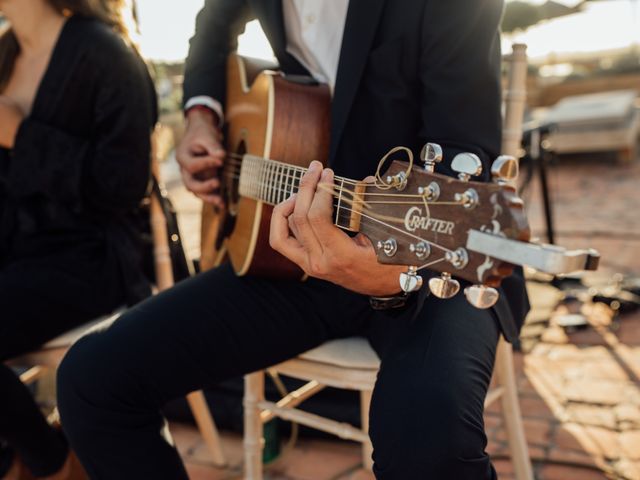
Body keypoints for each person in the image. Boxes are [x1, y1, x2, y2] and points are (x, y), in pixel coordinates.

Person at [57, 1, 529, 478]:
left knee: (429, 443)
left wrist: (387, 276)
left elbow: (462, 152)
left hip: (433, 260)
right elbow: (214, 22)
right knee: (94, 379)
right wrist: (202, 113)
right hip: (293, 256)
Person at [0, 0, 156, 477]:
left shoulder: (106, 54)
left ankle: (50, 461)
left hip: (93, 259)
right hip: (16, 253)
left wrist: (21, 135)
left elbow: (123, 184)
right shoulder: (4, 53)